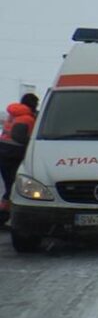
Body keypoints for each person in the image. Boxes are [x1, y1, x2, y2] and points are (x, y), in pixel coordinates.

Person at [0, 93, 39, 226]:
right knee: (15, 186)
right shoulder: (27, 118)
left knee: (9, 185)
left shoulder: (13, 114)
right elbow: (19, 137)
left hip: (3, 151)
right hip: (15, 154)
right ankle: (4, 216)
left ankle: (4, 213)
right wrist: (33, 144)